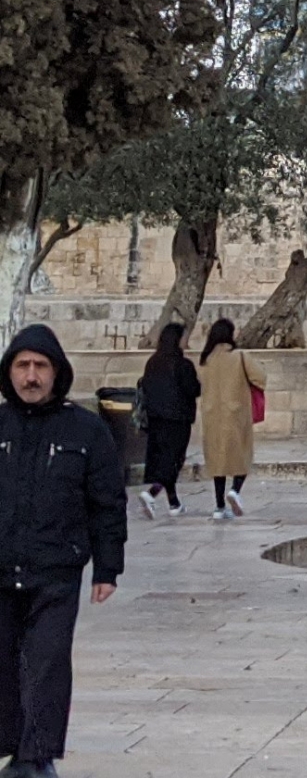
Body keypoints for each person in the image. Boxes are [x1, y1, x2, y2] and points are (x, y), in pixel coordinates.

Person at [0, 324, 127, 778]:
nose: (31, 377)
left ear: (57, 373)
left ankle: (35, 757)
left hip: (56, 570)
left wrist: (108, 568)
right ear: (9, 371)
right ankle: (12, 745)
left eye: (40, 367)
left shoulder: (86, 431)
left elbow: (107, 502)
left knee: (47, 662)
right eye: (22, 366)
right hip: (2, 567)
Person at [199, 318, 265, 521]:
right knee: (242, 456)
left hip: (211, 416)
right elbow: (261, 378)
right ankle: (235, 490)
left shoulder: (205, 360)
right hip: (236, 414)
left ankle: (219, 506)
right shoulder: (240, 356)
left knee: (217, 462)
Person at [136, 323, 199, 519]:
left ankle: (174, 503)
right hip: (177, 420)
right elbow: (193, 389)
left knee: (163, 459)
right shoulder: (183, 365)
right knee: (173, 461)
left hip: (156, 419)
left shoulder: (152, 362)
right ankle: (152, 493)